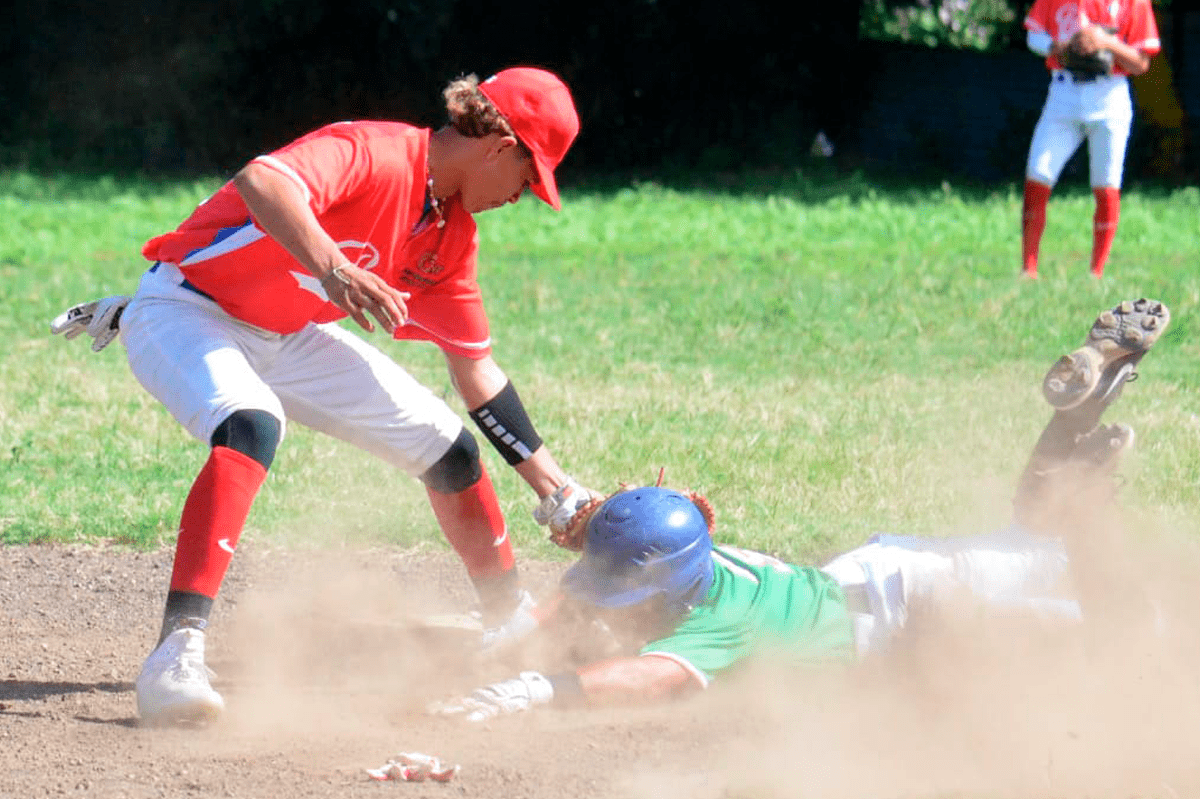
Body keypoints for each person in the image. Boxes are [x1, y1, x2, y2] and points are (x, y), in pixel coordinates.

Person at [49, 67, 599, 726]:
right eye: (528, 177)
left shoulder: (449, 238)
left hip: (286, 334)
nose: (524, 196)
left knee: (446, 446)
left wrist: (556, 490)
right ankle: (176, 654)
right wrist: (335, 267)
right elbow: (264, 180)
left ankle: (507, 623)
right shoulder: (379, 150)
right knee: (252, 422)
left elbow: (476, 370)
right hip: (186, 309)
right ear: (499, 144)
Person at [431, 298, 1170, 722]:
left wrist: (533, 688)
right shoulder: (690, 555)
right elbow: (606, 562)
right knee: (1039, 533)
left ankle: (1087, 475)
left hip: (928, 603)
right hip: (892, 581)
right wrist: (521, 635)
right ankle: (1080, 424)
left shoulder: (718, 624)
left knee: (1124, 624)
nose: (615, 608)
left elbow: (647, 678)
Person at [1020, 0, 1161, 279]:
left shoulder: (1133, 2)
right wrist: (1055, 47)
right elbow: (1033, 34)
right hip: (1064, 90)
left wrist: (1106, 42)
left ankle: (1096, 273)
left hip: (1109, 94)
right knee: (1038, 172)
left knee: (1106, 183)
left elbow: (1141, 62)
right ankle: (1029, 269)